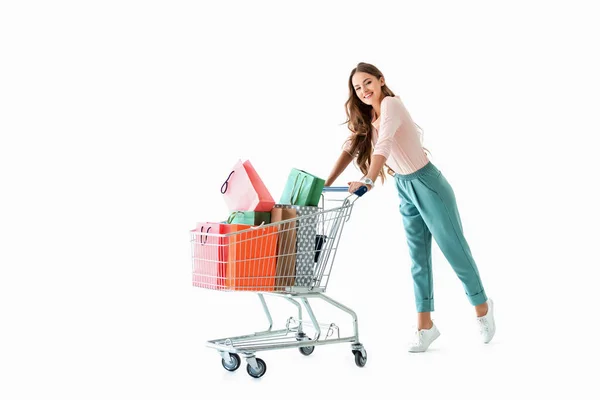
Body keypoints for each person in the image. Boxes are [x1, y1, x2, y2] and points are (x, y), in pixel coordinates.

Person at [324, 62, 495, 352]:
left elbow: (385, 145)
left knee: (454, 250)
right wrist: (325, 183)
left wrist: (366, 179)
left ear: (380, 80)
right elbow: (350, 148)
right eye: (357, 87)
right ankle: (425, 326)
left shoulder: (391, 105)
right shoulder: (369, 118)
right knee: (418, 258)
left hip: (429, 185)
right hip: (404, 187)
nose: (363, 90)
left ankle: (482, 307)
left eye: (367, 83)